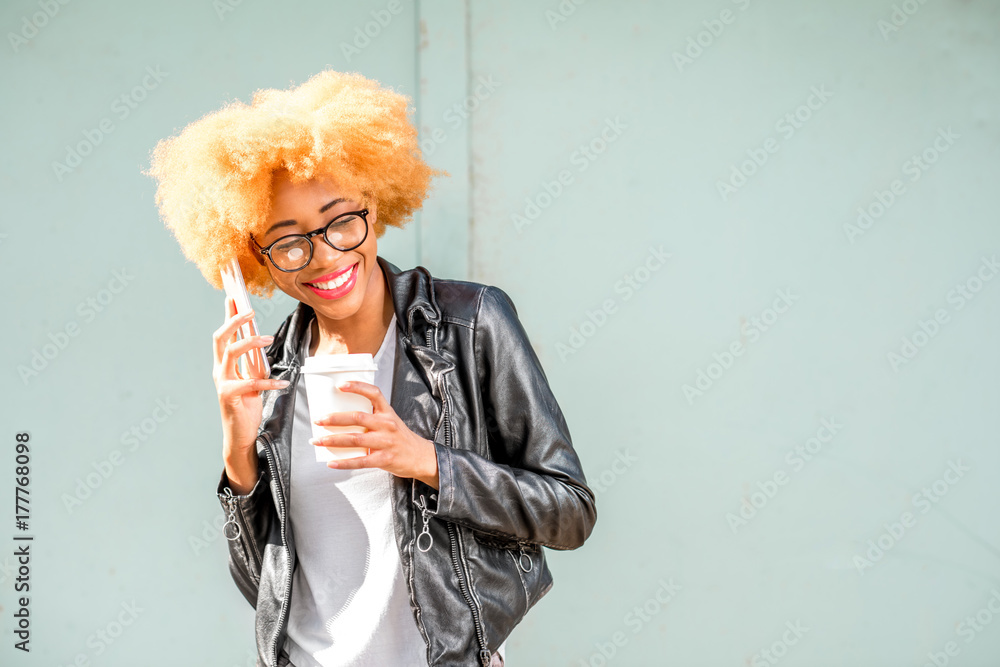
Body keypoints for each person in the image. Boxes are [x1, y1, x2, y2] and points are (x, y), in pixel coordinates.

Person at [144, 69, 597, 667]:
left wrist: (428, 462)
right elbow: (264, 590)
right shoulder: (271, 374)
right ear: (258, 258)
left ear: (375, 205)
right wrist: (238, 442)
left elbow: (569, 513)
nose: (325, 256)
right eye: (289, 241)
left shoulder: (470, 324)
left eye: (340, 221)